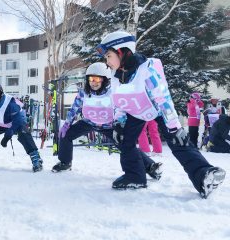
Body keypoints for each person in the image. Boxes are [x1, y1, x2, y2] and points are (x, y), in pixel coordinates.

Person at [96, 30, 226, 198]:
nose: (106, 62)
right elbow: (119, 101)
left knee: (177, 140)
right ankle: (134, 176)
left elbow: (162, 97)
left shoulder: (146, 69)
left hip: (157, 110)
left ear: (122, 51)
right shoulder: (116, 76)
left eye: (108, 56)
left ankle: (204, 175)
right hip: (135, 112)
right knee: (124, 141)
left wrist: (173, 125)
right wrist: (119, 122)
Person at [52, 62, 163, 181]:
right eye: (91, 79)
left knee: (126, 145)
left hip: (108, 126)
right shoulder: (84, 92)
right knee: (66, 135)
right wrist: (67, 124)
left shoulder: (113, 92)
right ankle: (65, 162)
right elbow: (75, 108)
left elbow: (122, 108)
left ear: (105, 80)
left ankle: (150, 166)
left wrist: (120, 125)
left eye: (97, 79)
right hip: (89, 122)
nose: (93, 82)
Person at [0, 82, 43, 172]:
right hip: (3, 124)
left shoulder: (10, 103)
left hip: (17, 123)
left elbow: (19, 119)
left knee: (23, 133)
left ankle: (36, 159)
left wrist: (8, 134)